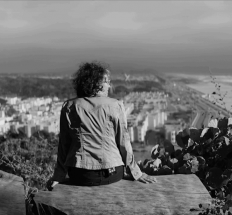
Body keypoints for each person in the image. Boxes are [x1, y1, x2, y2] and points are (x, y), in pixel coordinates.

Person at [47, 61, 156, 190]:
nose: (109, 86)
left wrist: (58, 176)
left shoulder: (69, 106)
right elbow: (124, 143)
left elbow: (64, 145)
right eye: (106, 81)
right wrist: (137, 173)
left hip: (80, 174)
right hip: (112, 173)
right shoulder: (115, 105)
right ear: (95, 84)